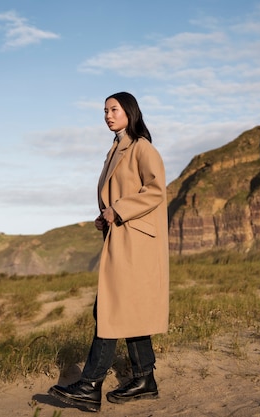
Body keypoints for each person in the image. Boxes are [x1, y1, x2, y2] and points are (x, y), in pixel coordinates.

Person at [48, 92, 170, 412]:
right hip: (121, 238)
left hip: (137, 243)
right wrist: (106, 215)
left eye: (113, 109)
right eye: (104, 110)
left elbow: (156, 190)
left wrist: (119, 209)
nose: (107, 115)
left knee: (110, 309)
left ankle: (89, 385)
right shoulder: (115, 149)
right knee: (125, 309)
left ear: (129, 111)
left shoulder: (142, 147)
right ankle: (145, 379)